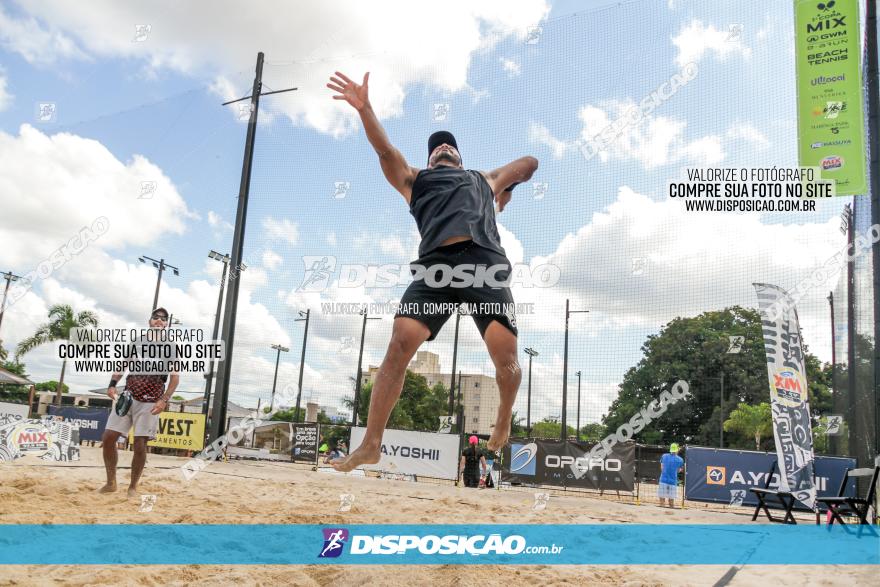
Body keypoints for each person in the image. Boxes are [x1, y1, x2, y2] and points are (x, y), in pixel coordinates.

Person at [326, 71, 539, 472]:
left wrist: (505, 188)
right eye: (436, 147)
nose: (443, 147)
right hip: (435, 272)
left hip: (483, 265)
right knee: (397, 347)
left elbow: (530, 162)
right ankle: (371, 444)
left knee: (506, 361)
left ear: (460, 157)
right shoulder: (414, 180)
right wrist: (365, 108)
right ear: (428, 159)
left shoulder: (484, 179)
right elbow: (387, 152)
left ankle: (504, 420)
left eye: (450, 146)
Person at [98, 308, 179, 497]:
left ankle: (133, 486)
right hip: (128, 396)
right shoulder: (137, 341)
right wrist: (112, 384)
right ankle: (111, 483)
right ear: (149, 321)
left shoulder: (171, 347)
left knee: (140, 444)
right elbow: (122, 365)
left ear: (166, 325)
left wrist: (164, 400)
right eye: (155, 317)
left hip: (151, 401)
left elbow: (175, 378)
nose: (159, 320)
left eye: (163, 319)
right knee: (108, 437)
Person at [658, 443, 684, 508]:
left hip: (663, 479)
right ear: (677, 450)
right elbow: (678, 471)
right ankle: (671, 509)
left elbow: (662, 468)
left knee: (662, 501)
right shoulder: (680, 460)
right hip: (673, 481)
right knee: (671, 502)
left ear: (670, 449)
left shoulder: (664, 456)